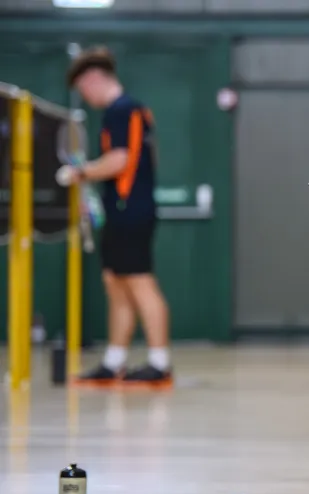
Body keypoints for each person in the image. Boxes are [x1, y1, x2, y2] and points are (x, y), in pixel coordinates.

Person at [61, 46, 173, 388]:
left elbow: (120, 161)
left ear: (94, 80)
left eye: (84, 89)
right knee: (116, 283)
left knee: (139, 282)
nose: (85, 96)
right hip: (122, 209)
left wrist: (79, 173)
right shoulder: (130, 110)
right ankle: (114, 361)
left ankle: (159, 363)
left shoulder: (121, 111)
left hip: (130, 211)